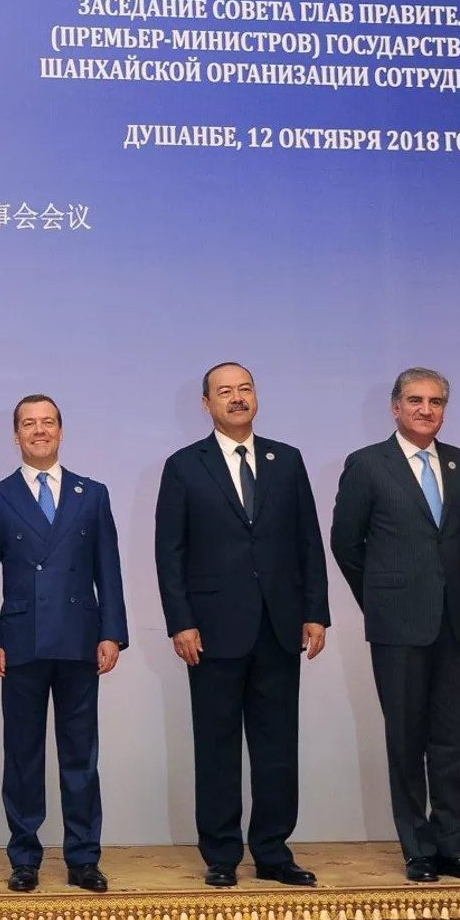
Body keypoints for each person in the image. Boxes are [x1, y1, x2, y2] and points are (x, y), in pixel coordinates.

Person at [154, 362, 329, 888]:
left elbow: (308, 541)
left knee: (278, 747)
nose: (237, 398)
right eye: (225, 391)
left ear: (256, 397)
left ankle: (273, 851)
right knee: (217, 747)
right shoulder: (184, 466)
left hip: (279, 624)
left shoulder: (286, 459)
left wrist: (315, 611)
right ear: (206, 404)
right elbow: (170, 552)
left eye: (245, 389)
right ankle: (222, 854)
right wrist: (181, 622)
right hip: (211, 630)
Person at [330, 369, 460, 883]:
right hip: (397, 624)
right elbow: (346, 543)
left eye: (436, 401)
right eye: (416, 400)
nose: (426, 409)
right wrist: (382, 597)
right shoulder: (366, 464)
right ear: (395, 406)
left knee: (455, 741)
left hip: (456, 620)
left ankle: (454, 847)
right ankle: (418, 848)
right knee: (406, 738)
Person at [0, 395, 126, 893]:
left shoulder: (92, 494)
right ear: (15, 435)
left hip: (80, 637)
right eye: (28, 424)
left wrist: (112, 632)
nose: (39, 431)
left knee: (81, 755)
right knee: (23, 754)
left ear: (61, 431)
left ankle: (84, 857)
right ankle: (24, 857)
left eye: (47, 423)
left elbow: (108, 568)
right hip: (20, 640)